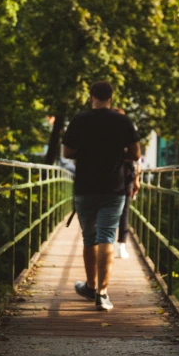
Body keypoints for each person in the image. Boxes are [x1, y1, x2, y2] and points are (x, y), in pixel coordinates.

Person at [62, 81, 141, 311]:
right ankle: (103, 294)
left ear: (91, 97)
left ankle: (90, 286)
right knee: (107, 236)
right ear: (111, 98)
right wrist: (118, 153)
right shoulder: (122, 121)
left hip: (85, 187)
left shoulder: (79, 119)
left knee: (89, 238)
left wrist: (87, 152)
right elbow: (136, 153)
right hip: (113, 188)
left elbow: (67, 152)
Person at [112, 108, 141, 259]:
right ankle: (110, 243)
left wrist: (137, 179)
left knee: (124, 210)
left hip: (127, 175)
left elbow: (138, 158)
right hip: (112, 175)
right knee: (113, 209)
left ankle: (121, 244)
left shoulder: (129, 129)